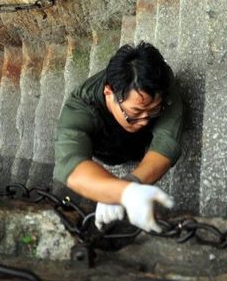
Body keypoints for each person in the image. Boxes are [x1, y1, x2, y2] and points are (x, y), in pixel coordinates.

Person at [53, 41, 183, 233]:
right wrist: (121, 192)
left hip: (141, 143)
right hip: (110, 149)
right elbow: (69, 163)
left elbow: (166, 141)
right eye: (135, 113)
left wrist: (128, 185)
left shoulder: (158, 78)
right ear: (109, 93)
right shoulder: (80, 108)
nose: (144, 121)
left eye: (154, 110)